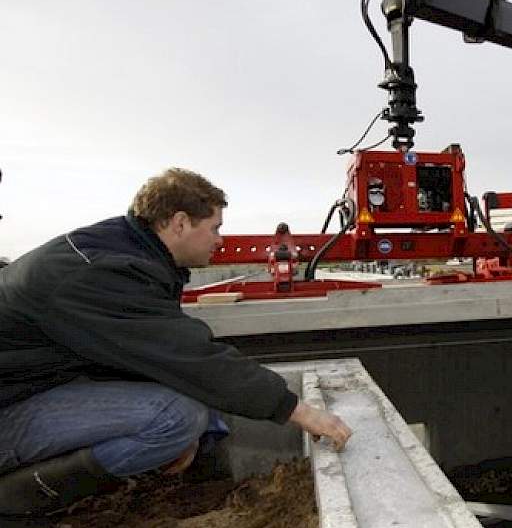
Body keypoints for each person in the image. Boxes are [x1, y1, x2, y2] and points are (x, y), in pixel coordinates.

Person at [0, 168, 352, 519]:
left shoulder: (122, 251)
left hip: (31, 386)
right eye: (214, 227)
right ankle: (19, 499)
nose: (220, 240)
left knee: (193, 404)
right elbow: (189, 356)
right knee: (176, 418)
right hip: (10, 406)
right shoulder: (103, 273)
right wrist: (299, 411)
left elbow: (163, 357)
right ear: (180, 223)